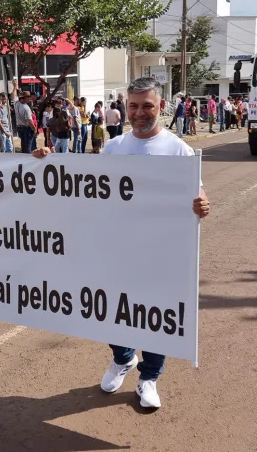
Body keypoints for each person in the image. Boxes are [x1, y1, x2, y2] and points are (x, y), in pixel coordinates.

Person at [32, 77, 211, 410]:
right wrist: (45, 164)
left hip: (159, 253)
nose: (140, 112)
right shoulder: (114, 148)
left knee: (155, 315)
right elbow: (84, 189)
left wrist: (202, 203)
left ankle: (149, 377)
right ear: (125, 107)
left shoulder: (178, 150)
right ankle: (123, 358)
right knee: (113, 312)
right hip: (115, 252)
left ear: (160, 107)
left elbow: (198, 194)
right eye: (134, 106)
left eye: (147, 106)